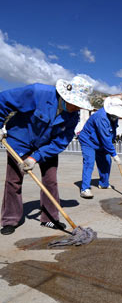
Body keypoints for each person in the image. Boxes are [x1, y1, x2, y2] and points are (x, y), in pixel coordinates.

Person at [0, 76, 93, 235]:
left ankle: (50, 218)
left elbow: (60, 142)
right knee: (14, 180)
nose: (78, 108)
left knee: (50, 180)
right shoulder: (38, 93)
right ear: (66, 96)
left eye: (80, 105)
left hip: (46, 146)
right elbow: (3, 100)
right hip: (20, 140)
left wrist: (35, 157)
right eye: (76, 104)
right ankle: (10, 219)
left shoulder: (73, 116)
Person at [78, 97, 122, 199]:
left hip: (100, 142)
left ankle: (103, 183)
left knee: (106, 161)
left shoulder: (113, 117)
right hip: (88, 141)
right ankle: (85, 189)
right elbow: (106, 138)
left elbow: (111, 133)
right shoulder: (101, 117)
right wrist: (114, 154)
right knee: (89, 162)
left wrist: (111, 152)